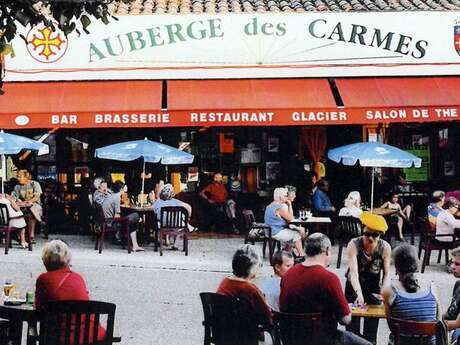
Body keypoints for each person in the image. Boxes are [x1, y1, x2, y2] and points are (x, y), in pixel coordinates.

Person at [279, 233, 371, 345]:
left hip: (291, 338)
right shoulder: (329, 278)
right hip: (322, 339)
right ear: (327, 250)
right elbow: (345, 320)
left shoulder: (288, 274)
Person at [35, 240, 106, 345]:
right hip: (93, 337)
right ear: (67, 259)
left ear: (46, 260)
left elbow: (39, 310)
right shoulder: (78, 278)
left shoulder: (44, 279)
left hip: (64, 338)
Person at [345, 211, 391, 344]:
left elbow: (387, 274)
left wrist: (384, 291)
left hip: (373, 285)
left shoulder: (385, 247)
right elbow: (353, 273)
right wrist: (358, 293)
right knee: (352, 327)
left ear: (380, 235)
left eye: (375, 235)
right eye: (367, 234)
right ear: (362, 231)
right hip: (354, 285)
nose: (370, 238)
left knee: (371, 327)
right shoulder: (354, 244)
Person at [381, 244, 440, 345]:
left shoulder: (389, 291)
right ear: (416, 264)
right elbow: (439, 322)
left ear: (396, 267)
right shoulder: (432, 287)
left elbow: (392, 326)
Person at [217, 244, 272, 328]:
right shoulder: (250, 289)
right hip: (244, 335)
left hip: (222, 331)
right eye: (259, 265)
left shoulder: (225, 282)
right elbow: (266, 315)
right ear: (253, 268)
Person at [264, 187, 307, 259]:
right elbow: (290, 218)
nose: (287, 197)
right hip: (275, 231)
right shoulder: (279, 208)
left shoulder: (270, 205)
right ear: (280, 197)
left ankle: (287, 254)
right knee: (296, 234)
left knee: (292, 233)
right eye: (285, 195)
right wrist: (290, 205)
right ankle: (302, 255)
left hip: (269, 231)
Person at [102, 180, 144, 252]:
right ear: (121, 189)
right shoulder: (117, 198)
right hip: (111, 223)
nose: (125, 189)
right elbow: (117, 216)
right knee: (136, 215)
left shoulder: (112, 196)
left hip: (107, 220)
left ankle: (135, 245)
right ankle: (134, 245)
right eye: (124, 188)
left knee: (133, 218)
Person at [153, 184, 196, 250]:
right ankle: (176, 244)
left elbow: (153, 211)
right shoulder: (176, 202)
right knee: (182, 224)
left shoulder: (157, 202)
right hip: (176, 225)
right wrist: (189, 217)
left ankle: (162, 240)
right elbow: (188, 207)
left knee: (160, 219)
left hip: (162, 226)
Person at [12, 169, 42, 243]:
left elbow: (37, 197)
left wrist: (29, 202)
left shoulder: (34, 184)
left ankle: (31, 236)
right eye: (17, 177)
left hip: (34, 204)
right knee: (17, 211)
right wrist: (20, 201)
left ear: (26, 177)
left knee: (31, 211)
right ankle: (20, 235)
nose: (18, 178)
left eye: (19, 177)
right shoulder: (17, 187)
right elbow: (15, 197)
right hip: (23, 205)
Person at [445, 247, 460, 344]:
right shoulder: (458, 284)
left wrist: (430, 326)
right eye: (452, 262)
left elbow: (457, 324)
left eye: (457, 264)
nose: (452, 267)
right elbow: (450, 314)